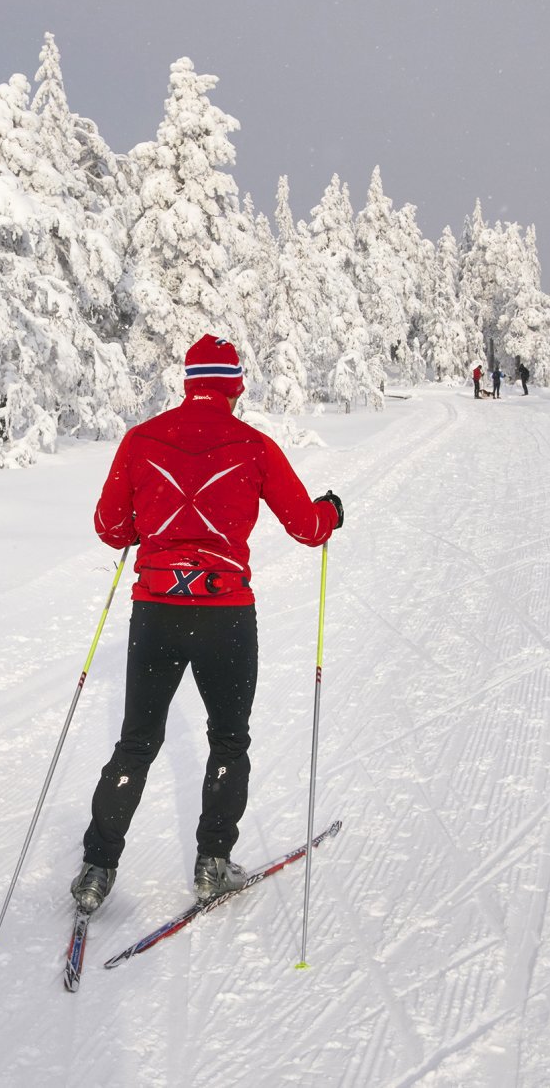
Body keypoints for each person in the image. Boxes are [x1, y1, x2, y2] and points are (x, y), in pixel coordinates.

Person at [70, 335, 344, 913]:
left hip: (157, 612)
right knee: (228, 740)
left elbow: (109, 527)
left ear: (188, 382)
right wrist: (333, 511)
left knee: (137, 744)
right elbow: (307, 527)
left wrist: (151, 529)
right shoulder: (253, 444)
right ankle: (212, 863)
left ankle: (98, 867)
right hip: (225, 617)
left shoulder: (141, 440)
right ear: (236, 385)